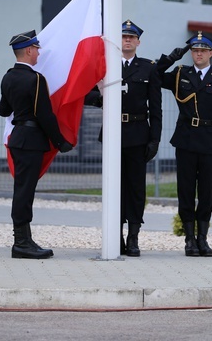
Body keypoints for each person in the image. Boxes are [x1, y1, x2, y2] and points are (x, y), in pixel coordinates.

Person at [85, 20, 162, 256]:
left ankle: (133, 237)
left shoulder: (148, 68)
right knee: (114, 187)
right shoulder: (106, 66)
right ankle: (115, 235)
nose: (127, 40)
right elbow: (86, 94)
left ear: (138, 41)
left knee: (136, 188)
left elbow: (156, 108)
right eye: (123, 36)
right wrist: (101, 99)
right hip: (112, 133)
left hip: (138, 134)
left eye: (131, 37)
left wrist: (154, 140)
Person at [0, 30, 73, 259]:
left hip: (19, 138)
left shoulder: (8, 77)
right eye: (37, 49)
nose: (39, 53)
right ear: (29, 50)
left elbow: (3, 110)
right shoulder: (36, 78)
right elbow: (44, 115)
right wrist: (60, 142)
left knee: (23, 190)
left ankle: (25, 239)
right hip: (31, 141)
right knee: (24, 191)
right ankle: (21, 243)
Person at [156, 31, 212, 257]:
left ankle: (203, 239)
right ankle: (189, 239)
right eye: (194, 50)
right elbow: (155, 75)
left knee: (206, 193)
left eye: (202, 50)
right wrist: (171, 57)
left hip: (210, 141)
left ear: (211, 53)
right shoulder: (181, 74)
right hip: (186, 139)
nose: (198, 54)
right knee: (186, 190)